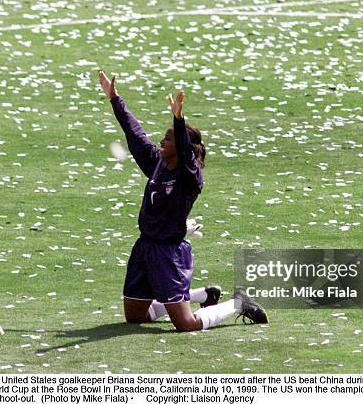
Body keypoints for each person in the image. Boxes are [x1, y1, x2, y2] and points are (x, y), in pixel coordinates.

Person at [98, 70, 267, 331]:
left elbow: (186, 153)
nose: (161, 142)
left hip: (168, 253)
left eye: (168, 139)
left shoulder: (190, 177)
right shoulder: (158, 163)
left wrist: (179, 120)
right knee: (134, 317)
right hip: (144, 248)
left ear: (180, 146)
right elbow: (135, 134)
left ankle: (237, 303)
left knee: (186, 324)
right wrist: (115, 99)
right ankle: (203, 295)